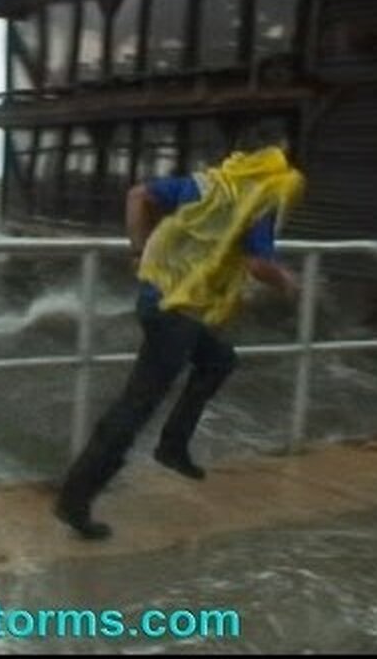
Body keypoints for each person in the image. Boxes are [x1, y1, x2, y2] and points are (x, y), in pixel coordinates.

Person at [54, 146, 305, 540]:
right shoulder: (261, 199)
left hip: (159, 300)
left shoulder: (208, 183)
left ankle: (173, 444)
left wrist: (139, 250)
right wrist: (289, 282)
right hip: (180, 314)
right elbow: (259, 265)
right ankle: (76, 499)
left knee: (219, 359)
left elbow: (137, 195)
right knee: (135, 406)